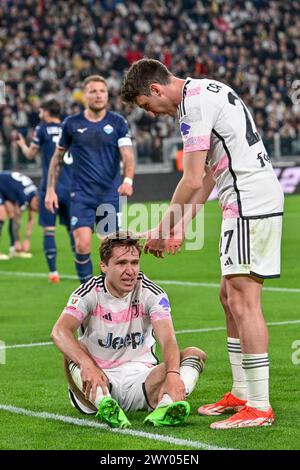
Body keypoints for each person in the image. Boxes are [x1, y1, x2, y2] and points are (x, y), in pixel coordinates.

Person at [121, 58, 284, 429]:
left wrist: (161, 230)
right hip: (243, 198)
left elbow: (192, 179)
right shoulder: (205, 89)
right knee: (228, 297)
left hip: (248, 202)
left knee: (244, 300)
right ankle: (242, 392)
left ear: (157, 89)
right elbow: (209, 174)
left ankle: (259, 405)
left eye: (149, 106)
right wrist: (180, 228)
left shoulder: (192, 104)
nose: (155, 113)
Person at [51, 231, 206, 428]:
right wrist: (86, 364)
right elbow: (59, 331)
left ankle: (166, 408)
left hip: (143, 380)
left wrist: (173, 374)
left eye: (134, 262)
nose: (130, 270)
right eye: (121, 263)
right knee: (73, 352)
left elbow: (168, 340)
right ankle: (104, 404)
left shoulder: (151, 292)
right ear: (104, 266)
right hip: (98, 378)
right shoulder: (89, 292)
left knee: (194, 355)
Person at [45, 75, 135, 284]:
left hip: (109, 195)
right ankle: (86, 294)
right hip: (82, 196)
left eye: (102, 91)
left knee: (111, 250)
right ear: (84, 95)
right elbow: (57, 159)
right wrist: (50, 189)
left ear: (107, 95)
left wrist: (128, 180)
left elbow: (128, 155)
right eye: (93, 91)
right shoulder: (71, 124)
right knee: (82, 245)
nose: (98, 95)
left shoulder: (118, 122)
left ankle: (107, 295)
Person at [16, 99, 74, 283]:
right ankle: (81, 269)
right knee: (74, 230)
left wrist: (21, 144)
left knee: (49, 230)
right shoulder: (69, 126)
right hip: (71, 186)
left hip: (50, 188)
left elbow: (30, 154)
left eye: (41, 110)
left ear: (47, 111)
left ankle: (53, 273)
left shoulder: (41, 129)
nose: (39, 113)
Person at [0, 171, 38, 259]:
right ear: (35, 201)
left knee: (12, 215)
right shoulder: (24, 197)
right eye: (36, 208)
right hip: (2, 186)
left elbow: (31, 219)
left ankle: (13, 250)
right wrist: (18, 240)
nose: (35, 211)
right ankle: (15, 245)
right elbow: (17, 220)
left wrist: (27, 240)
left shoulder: (34, 194)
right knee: (2, 215)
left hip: (6, 189)